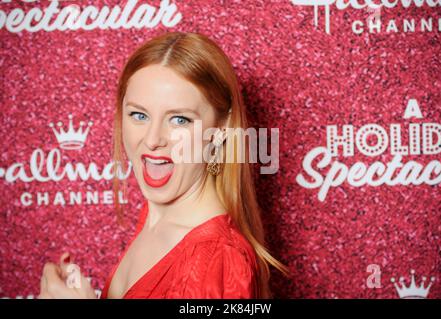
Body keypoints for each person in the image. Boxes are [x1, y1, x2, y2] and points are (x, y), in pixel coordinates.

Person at [38, 31, 288, 299]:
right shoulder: (156, 216)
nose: (153, 139)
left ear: (221, 128)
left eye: (180, 120)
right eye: (139, 115)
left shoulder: (218, 259)